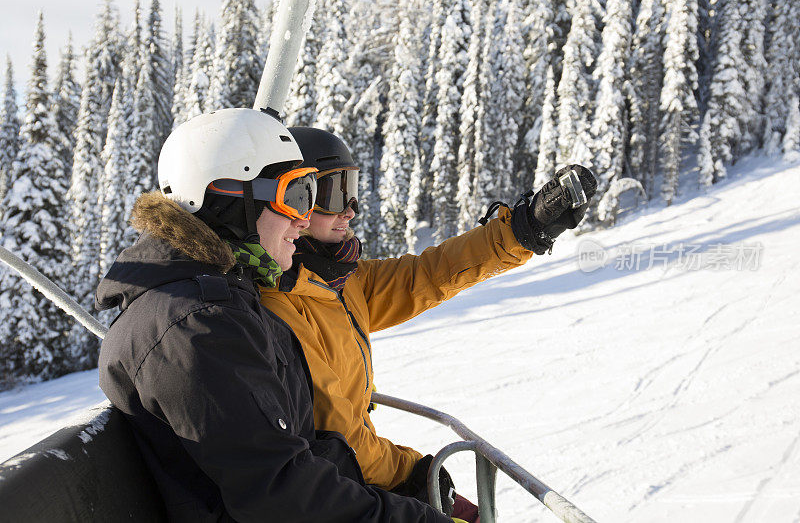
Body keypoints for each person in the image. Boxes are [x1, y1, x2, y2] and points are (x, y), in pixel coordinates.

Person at [96, 108, 462, 522]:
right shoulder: (195, 326)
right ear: (229, 200)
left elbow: (289, 460)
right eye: (296, 196)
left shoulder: (222, 302)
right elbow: (283, 497)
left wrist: (406, 484)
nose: (305, 218)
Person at [258, 127, 598, 521]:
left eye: (352, 190)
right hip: (347, 487)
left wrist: (522, 230)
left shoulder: (341, 281)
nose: (349, 210)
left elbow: (430, 274)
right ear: (295, 200)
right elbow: (342, 440)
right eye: (334, 193)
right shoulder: (280, 306)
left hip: (363, 473)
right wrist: (414, 472)